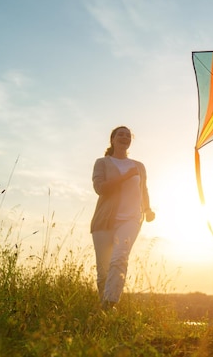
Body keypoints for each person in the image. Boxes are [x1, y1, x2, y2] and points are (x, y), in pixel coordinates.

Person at [90, 126, 155, 310]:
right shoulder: (102, 163)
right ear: (113, 139)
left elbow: (143, 190)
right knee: (103, 272)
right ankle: (104, 310)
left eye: (128, 135)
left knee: (119, 258)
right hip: (104, 220)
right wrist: (125, 177)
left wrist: (148, 209)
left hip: (131, 219)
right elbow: (100, 188)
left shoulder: (139, 166)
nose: (125, 137)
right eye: (121, 134)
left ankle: (110, 304)